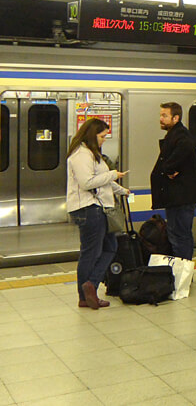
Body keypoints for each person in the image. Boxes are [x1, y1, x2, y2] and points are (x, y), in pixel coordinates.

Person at [67, 118, 129, 310]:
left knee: (110, 246)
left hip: (99, 208)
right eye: (102, 136)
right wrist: (113, 174)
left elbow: (104, 180)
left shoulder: (94, 154)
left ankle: (90, 286)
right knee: (91, 253)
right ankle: (85, 295)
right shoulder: (81, 155)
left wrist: (122, 190)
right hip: (88, 209)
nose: (104, 140)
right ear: (92, 135)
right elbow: (87, 183)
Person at [150, 102, 196, 260]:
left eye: (164, 116)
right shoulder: (176, 134)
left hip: (182, 196)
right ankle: (183, 270)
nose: (161, 119)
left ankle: (183, 272)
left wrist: (168, 169)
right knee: (179, 234)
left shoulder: (181, 136)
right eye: (161, 115)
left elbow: (176, 158)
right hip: (179, 196)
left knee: (179, 235)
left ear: (176, 118)